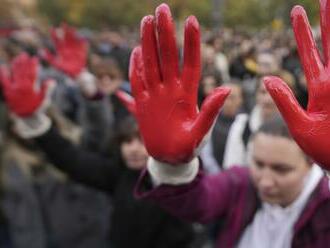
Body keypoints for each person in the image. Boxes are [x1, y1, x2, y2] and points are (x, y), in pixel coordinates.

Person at [121, 2, 330, 248]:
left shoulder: (324, 204)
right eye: (259, 164)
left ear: (309, 166)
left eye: (281, 169)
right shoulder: (242, 185)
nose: (265, 180)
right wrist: (172, 167)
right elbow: (199, 203)